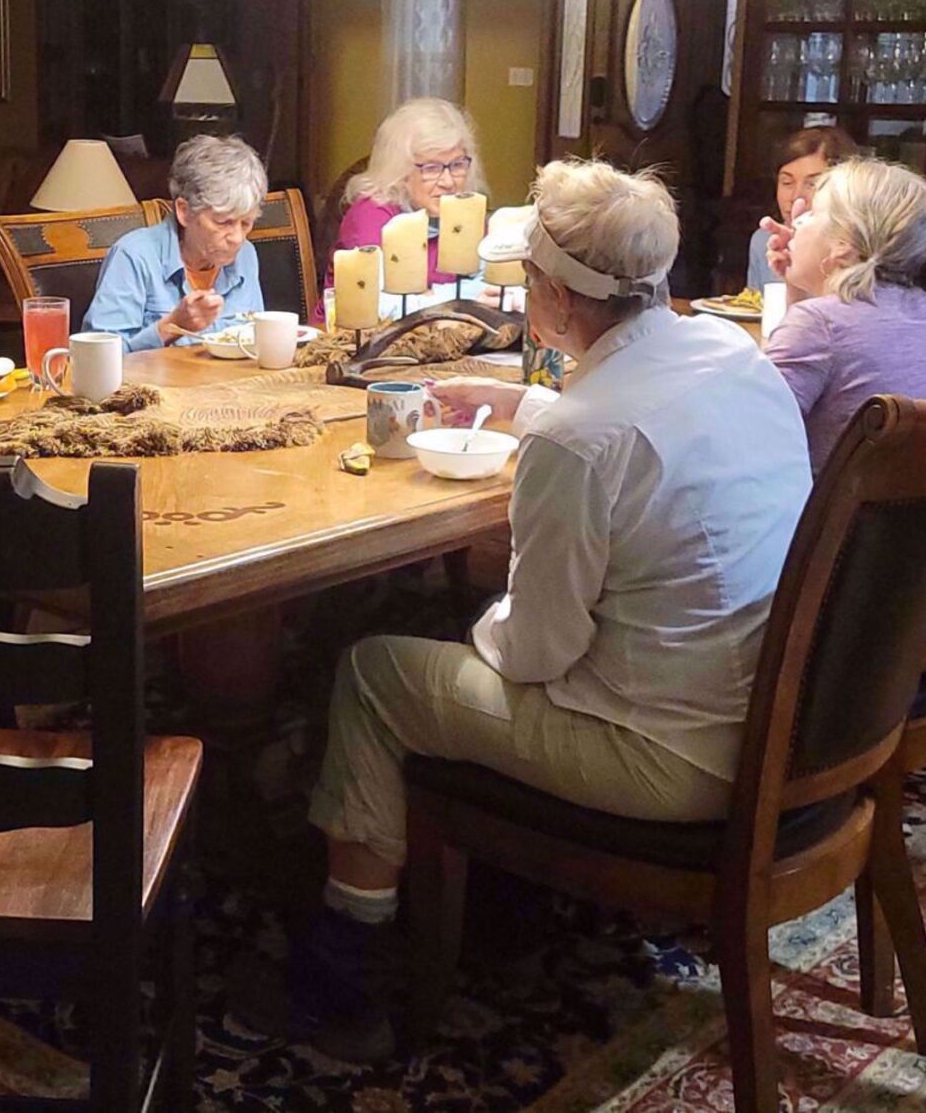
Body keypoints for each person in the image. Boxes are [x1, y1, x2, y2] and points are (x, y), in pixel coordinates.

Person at [232, 160, 813, 1062]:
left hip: (670, 761)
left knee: (376, 670)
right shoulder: (732, 356)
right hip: (781, 723)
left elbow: (536, 653)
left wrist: (471, 626)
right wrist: (528, 402)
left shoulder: (579, 440)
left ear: (548, 293)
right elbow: (639, 419)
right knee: (463, 630)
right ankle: (488, 889)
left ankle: (338, 976)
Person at [763, 158, 926, 472]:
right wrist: (798, 284)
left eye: (812, 213)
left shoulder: (819, 323)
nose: (796, 222)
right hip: (904, 509)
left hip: (822, 514)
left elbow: (751, 429)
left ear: (843, 244)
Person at [82, 133, 267, 352]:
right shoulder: (133, 256)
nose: (237, 238)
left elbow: (254, 340)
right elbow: (96, 357)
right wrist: (172, 326)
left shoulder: (246, 254)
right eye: (223, 222)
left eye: (246, 223)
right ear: (184, 212)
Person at [325, 97, 489, 303]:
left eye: (457, 165)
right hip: (358, 334)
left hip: (448, 332)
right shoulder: (371, 214)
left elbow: (494, 287)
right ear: (400, 170)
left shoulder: (465, 212)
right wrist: (460, 296)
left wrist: (429, 297)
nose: (448, 181)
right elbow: (379, 306)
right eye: (432, 168)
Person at [747, 125, 857, 289]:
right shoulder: (765, 241)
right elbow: (752, 307)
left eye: (813, 184)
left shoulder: (856, 250)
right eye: (787, 182)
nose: (796, 197)